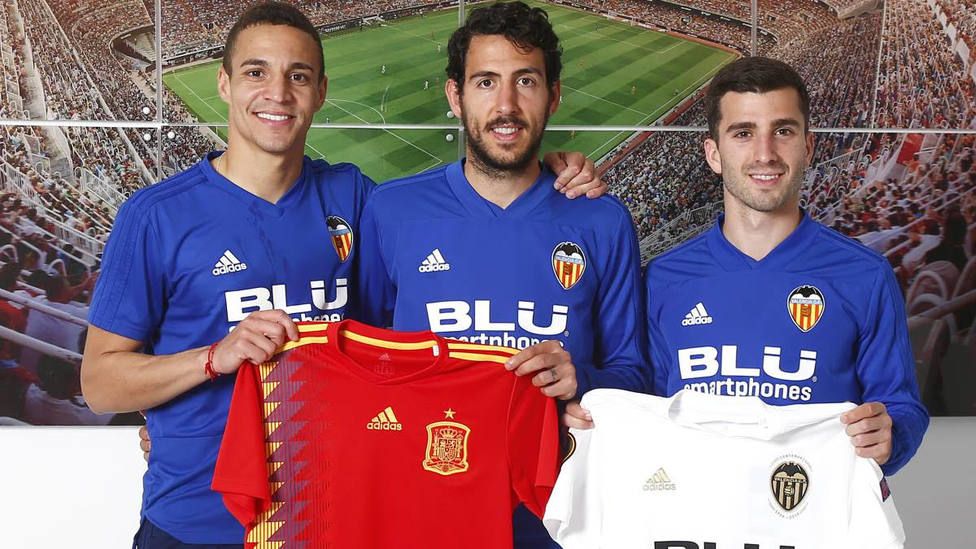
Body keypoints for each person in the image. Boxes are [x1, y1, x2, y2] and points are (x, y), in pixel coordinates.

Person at [83, 2, 607, 547]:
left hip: (327, 511)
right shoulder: (156, 215)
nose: (278, 93)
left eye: (299, 76)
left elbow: (441, 243)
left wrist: (552, 169)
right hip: (199, 518)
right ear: (224, 83)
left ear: (321, 90)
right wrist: (213, 359)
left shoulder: (352, 197)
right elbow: (99, 385)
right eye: (256, 72)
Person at [356, 3, 649, 547]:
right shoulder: (392, 210)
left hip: (556, 509)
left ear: (553, 95)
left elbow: (633, 375)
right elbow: (364, 358)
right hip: (423, 500)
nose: (506, 104)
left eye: (527, 81)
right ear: (455, 96)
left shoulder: (601, 219)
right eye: (486, 82)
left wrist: (580, 377)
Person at [645, 56, 929, 476]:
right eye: (743, 133)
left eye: (783, 131)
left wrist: (891, 434)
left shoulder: (865, 275)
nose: (765, 153)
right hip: (697, 525)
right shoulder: (662, 279)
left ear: (808, 147)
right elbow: (637, 411)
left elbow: (901, 407)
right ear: (714, 153)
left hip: (815, 525)